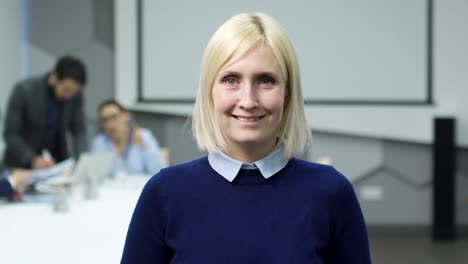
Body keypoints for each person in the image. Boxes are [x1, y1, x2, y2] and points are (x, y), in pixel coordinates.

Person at [121, 13, 371, 263]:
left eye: (266, 80)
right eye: (231, 80)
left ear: (288, 94)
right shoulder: (164, 192)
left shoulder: (331, 191)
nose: (248, 101)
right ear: (210, 92)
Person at [3, 55, 87, 169]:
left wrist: (80, 160)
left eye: (74, 92)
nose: (69, 96)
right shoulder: (24, 90)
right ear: (54, 77)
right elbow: (10, 134)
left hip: (56, 165)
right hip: (22, 165)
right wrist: (32, 159)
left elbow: (78, 130)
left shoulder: (74, 96)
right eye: (66, 90)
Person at [91, 99, 162, 175]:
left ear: (126, 116)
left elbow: (157, 172)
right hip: (111, 187)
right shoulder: (99, 142)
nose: (110, 124)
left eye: (114, 117)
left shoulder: (143, 136)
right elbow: (96, 175)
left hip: (140, 186)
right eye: (105, 120)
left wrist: (144, 147)